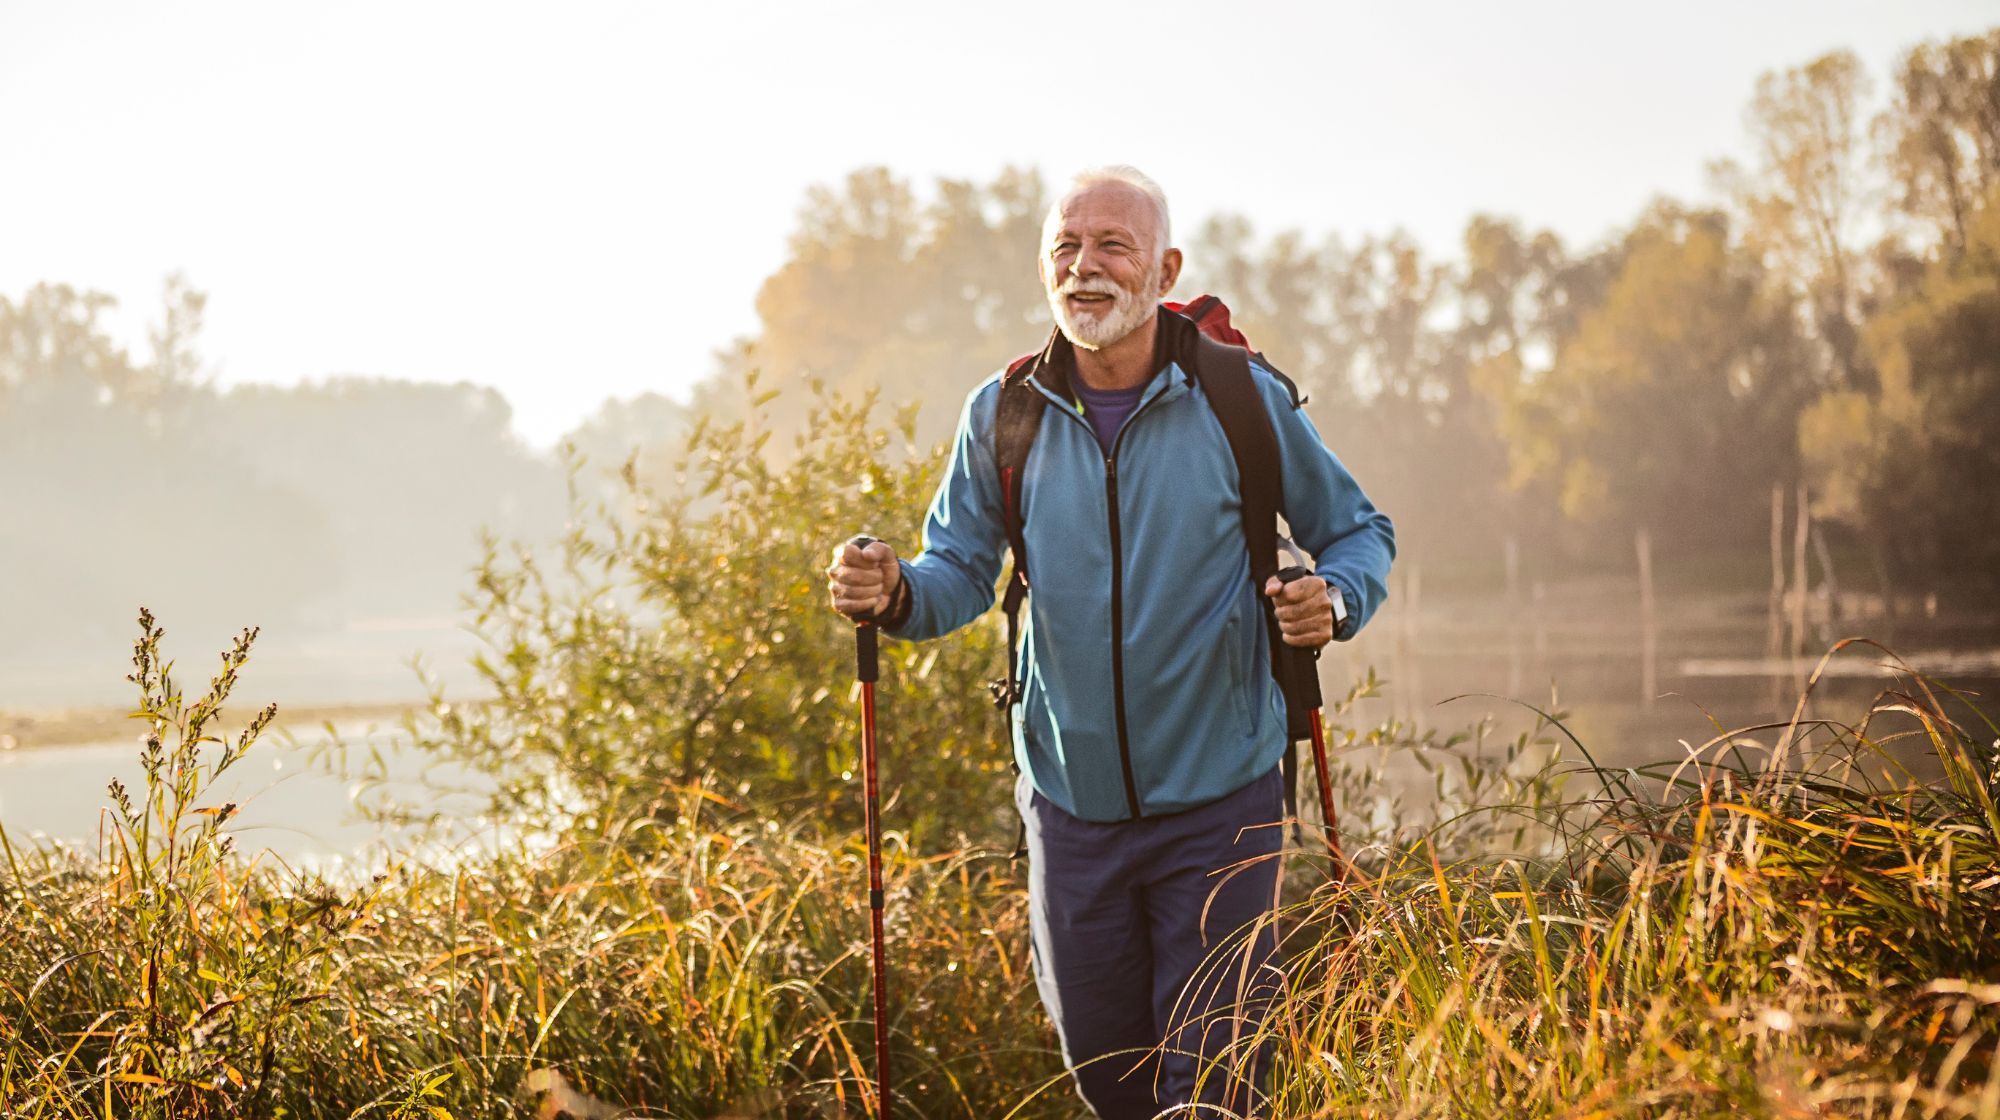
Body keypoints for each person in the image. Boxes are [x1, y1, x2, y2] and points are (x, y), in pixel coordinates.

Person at [825, 165, 1395, 1118]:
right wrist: (891, 595)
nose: (1085, 268)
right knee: (1110, 1081)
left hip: (1223, 802)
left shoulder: (1238, 399)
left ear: (1165, 266)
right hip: (1069, 807)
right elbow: (957, 571)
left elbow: (1358, 532)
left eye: (1112, 247)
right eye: (1066, 248)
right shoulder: (1003, 414)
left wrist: (1331, 601)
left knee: (1212, 1085)